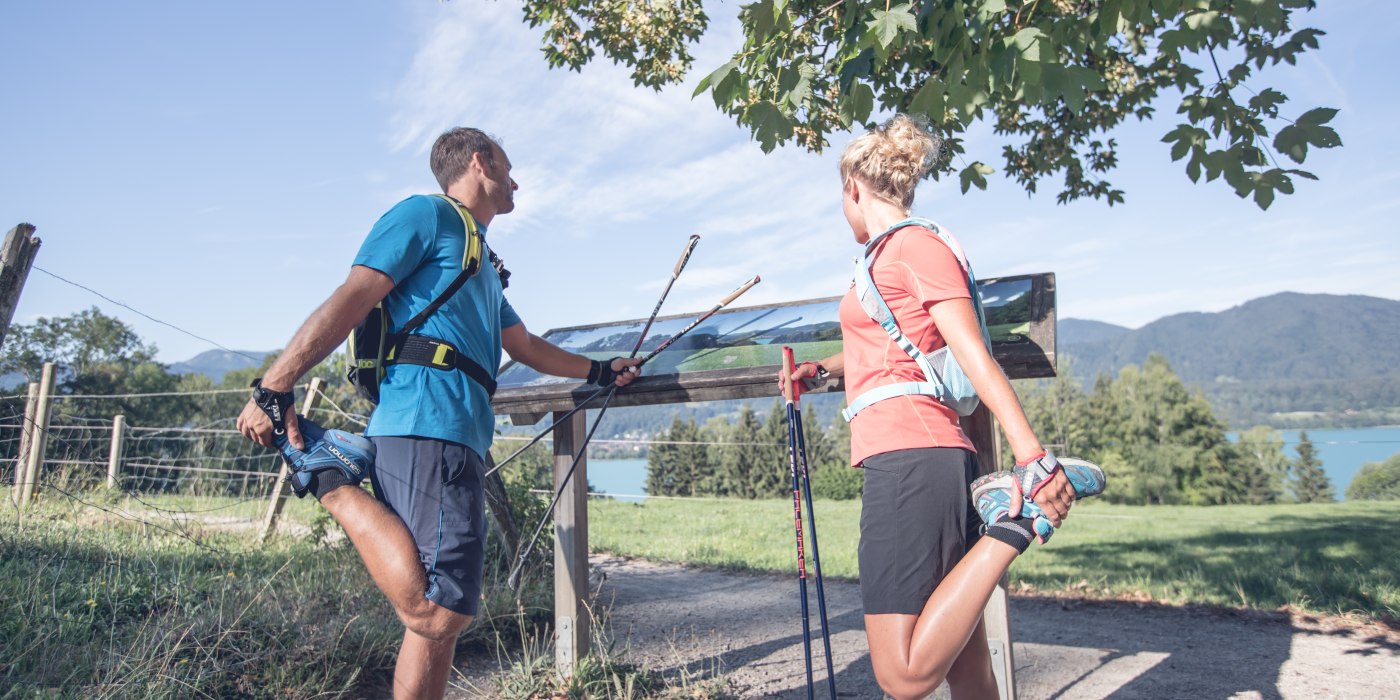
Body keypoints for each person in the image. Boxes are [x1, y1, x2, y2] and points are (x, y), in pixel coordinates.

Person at [236, 127, 640, 700]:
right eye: (508, 165)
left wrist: (601, 371)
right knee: (438, 609)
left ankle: (328, 469)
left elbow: (524, 346)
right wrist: (275, 385)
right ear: (480, 162)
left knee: (436, 627)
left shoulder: (479, 259)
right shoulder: (426, 216)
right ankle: (326, 474)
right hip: (427, 422)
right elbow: (355, 296)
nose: (517, 180)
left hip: (455, 433)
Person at [782, 114, 1105, 700]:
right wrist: (820, 370)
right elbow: (893, 347)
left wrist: (1032, 458)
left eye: (841, 198)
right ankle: (1015, 517)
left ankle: (1019, 521)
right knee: (968, 671)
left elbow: (974, 356)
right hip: (918, 454)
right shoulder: (886, 258)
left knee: (902, 675)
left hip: (912, 458)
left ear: (853, 187)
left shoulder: (915, 247)